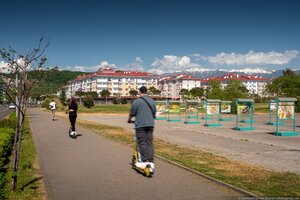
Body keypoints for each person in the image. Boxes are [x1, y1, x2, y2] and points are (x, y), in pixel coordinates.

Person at [128, 86, 156, 168]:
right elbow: (154, 113)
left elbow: (132, 113)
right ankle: (151, 159)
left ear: (140, 92)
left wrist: (129, 119)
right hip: (150, 124)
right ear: (146, 92)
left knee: (142, 142)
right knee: (149, 142)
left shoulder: (137, 102)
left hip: (140, 125)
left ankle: (144, 160)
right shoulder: (152, 101)